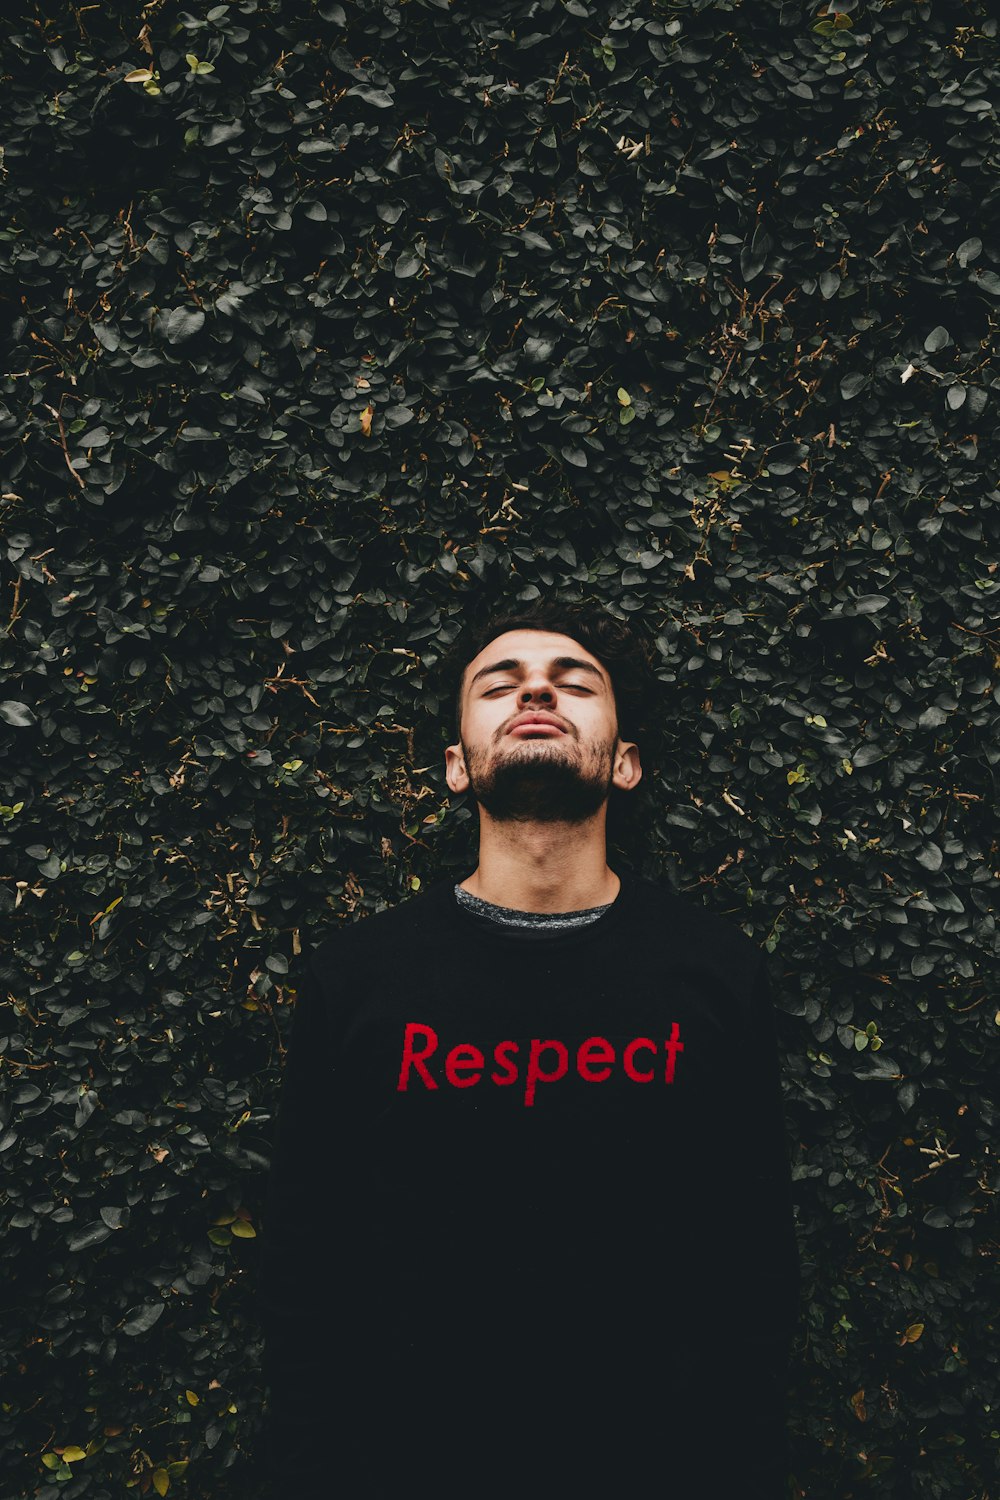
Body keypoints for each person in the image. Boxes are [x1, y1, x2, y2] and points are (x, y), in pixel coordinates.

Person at [256, 600, 801, 1498]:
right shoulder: (357, 979)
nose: (538, 690)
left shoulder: (714, 972)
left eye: (573, 681)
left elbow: (752, 1270)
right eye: (498, 685)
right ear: (456, 766)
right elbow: (306, 1267)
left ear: (624, 762)